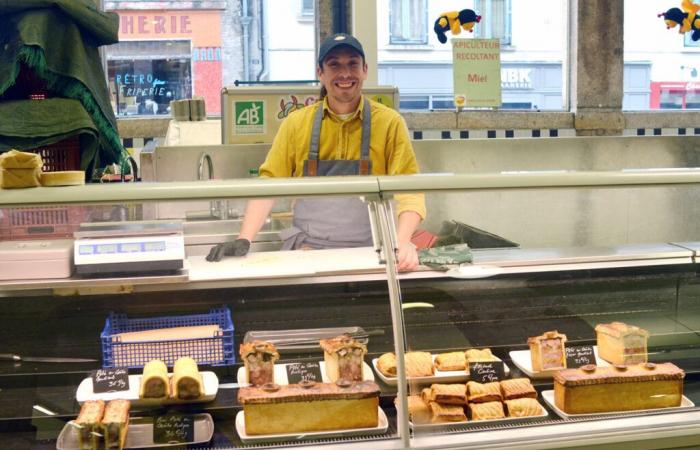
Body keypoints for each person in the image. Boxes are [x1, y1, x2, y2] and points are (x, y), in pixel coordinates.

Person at [207, 33, 426, 271]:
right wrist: (244, 238)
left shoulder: (390, 123)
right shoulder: (296, 124)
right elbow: (268, 185)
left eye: (352, 64)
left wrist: (402, 243)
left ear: (364, 70)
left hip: (373, 252)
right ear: (320, 73)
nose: (345, 73)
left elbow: (410, 190)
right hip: (308, 251)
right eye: (334, 65)